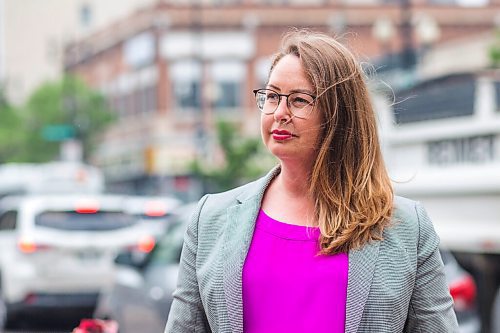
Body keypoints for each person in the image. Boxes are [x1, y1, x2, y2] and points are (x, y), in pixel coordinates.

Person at [165, 29, 459, 333]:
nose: (279, 113)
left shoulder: (406, 226)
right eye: (273, 96)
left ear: (339, 113)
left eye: (299, 100)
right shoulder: (209, 219)